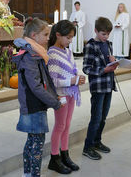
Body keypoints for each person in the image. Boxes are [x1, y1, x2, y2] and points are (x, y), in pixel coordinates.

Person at [13, 17, 62, 177]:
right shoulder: (30, 56)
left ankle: (27, 174)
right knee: (37, 145)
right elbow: (36, 86)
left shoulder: (35, 54)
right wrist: (54, 102)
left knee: (31, 141)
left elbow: (43, 81)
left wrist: (53, 95)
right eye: (45, 34)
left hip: (35, 104)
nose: (48, 38)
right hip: (34, 105)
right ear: (34, 36)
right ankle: (33, 174)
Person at [47, 20, 86, 174]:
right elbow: (53, 81)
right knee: (60, 126)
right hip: (61, 94)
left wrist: (78, 77)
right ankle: (54, 158)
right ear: (58, 35)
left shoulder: (68, 52)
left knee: (67, 125)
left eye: (72, 38)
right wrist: (70, 80)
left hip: (71, 92)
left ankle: (65, 154)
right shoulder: (52, 53)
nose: (70, 41)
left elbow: (73, 69)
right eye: (68, 37)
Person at [82, 17, 118, 160]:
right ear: (96, 31)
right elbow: (86, 68)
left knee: (103, 117)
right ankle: (87, 147)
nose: (106, 36)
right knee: (96, 118)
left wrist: (113, 62)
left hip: (108, 85)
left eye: (108, 34)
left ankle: (97, 142)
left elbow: (109, 65)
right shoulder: (90, 46)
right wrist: (104, 70)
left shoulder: (108, 44)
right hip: (98, 87)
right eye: (103, 34)